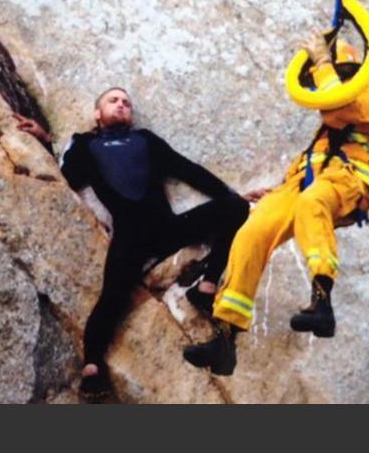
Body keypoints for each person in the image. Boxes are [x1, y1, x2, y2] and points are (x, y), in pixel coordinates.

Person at [183, 31, 369, 376]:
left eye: (339, 73)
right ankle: (226, 335)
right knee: (253, 230)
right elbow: (314, 155)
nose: (330, 79)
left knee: (313, 204)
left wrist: (323, 62)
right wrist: (277, 191)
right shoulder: (326, 135)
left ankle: (321, 299)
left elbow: (338, 106)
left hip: (346, 181)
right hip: (306, 184)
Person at [17, 87, 250, 399]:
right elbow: (66, 177)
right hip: (130, 238)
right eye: (113, 101)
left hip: (168, 229)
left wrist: (230, 194)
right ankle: (92, 369)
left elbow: (187, 170)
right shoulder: (86, 144)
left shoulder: (146, 140)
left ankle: (206, 287)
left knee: (236, 208)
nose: (121, 105)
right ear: (97, 114)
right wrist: (45, 140)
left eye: (126, 103)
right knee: (111, 298)